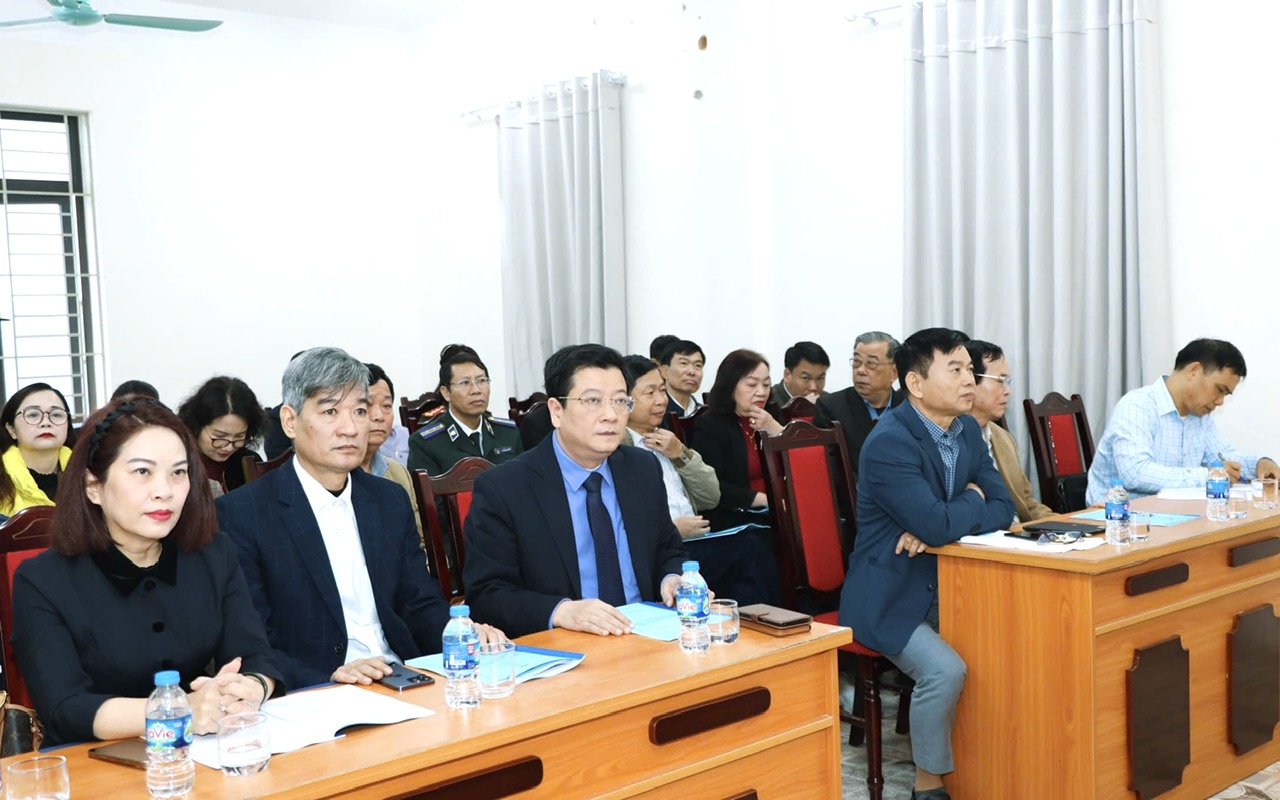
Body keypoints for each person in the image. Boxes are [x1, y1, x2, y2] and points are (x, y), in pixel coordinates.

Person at [217, 347, 503, 690]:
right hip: (318, 689)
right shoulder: (243, 514)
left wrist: (461, 633)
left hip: (402, 676)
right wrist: (328, 676)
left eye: (360, 411)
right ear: (290, 421)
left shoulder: (388, 500)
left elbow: (418, 601)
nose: (350, 428)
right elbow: (254, 641)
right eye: (330, 411)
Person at [11, 397, 282, 748]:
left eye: (178, 472)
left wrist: (251, 687)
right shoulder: (41, 580)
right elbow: (65, 708)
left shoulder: (215, 554)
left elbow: (256, 656)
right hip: (93, 759)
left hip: (202, 752)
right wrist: (179, 710)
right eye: (142, 472)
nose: (164, 492)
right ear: (94, 486)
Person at [839, 328, 1014, 800]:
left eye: (969, 370)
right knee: (944, 671)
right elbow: (941, 523)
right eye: (955, 370)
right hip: (889, 592)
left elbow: (1004, 507)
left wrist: (948, 519)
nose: (969, 381)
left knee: (1011, 648)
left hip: (951, 582)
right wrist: (966, 503)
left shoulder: (966, 431)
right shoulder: (890, 442)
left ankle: (1000, 768)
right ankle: (928, 785)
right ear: (916, 384)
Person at [463, 344, 688, 639]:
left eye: (620, 401)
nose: (611, 415)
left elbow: (668, 549)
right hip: (566, 645)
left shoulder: (642, 468)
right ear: (556, 411)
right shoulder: (505, 488)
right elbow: (487, 595)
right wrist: (561, 611)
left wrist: (672, 578)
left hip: (647, 636)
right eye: (593, 400)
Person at [622, 355, 779, 606]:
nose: (661, 400)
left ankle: (749, 621)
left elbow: (710, 496)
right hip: (666, 550)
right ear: (624, 400)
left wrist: (680, 454)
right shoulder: (618, 448)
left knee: (755, 545)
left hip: (696, 540)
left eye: (662, 390)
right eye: (650, 393)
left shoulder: (667, 440)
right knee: (751, 547)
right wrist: (672, 530)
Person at [1085, 338, 1280, 505]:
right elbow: (1135, 473)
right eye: (1220, 390)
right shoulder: (1137, 406)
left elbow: (1225, 458)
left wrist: (1259, 464)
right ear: (1194, 370)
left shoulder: (1200, 416)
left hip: (1175, 516)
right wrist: (1209, 476)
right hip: (1118, 520)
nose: (1221, 402)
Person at [689, 349, 784, 531]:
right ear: (730, 387)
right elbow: (711, 486)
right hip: (741, 516)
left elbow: (799, 464)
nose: (761, 392)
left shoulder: (771, 415)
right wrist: (765, 500)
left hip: (782, 508)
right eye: (752, 384)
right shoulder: (711, 424)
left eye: (766, 384)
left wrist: (775, 430)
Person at [964, 340, 1054, 523]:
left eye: (1008, 381)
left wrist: (1072, 526)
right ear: (970, 381)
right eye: (1000, 381)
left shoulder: (1002, 438)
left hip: (1018, 533)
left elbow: (1026, 503)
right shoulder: (948, 439)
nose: (1007, 391)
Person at [407, 345, 522, 475]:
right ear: (446, 393)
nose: (476, 390)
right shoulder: (425, 443)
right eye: (465, 383)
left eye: (481, 381)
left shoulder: (508, 433)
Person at [814, 331, 905, 473]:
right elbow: (830, 471)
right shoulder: (830, 407)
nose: (861, 371)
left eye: (871, 364)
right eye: (856, 362)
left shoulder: (909, 407)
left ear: (894, 372)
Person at [177, 376, 266, 498]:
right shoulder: (178, 463)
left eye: (239, 436)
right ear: (197, 426)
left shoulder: (247, 461)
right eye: (220, 436)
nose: (229, 447)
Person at [361, 363, 420, 538]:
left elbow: (420, 541)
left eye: (386, 406)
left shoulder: (399, 473)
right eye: (367, 405)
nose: (379, 416)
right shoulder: (335, 475)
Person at [0, 382, 76, 517]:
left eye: (56, 415)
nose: (46, 423)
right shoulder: (3, 479)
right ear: (11, 429)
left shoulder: (88, 474)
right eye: (33, 415)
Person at [770, 341, 830, 406]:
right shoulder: (767, 402)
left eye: (820, 378)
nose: (813, 387)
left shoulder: (828, 402)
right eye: (806, 378)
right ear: (787, 375)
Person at [659, 339, 706, 419]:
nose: (692, 372)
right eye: (684, 363)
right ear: (664, 371)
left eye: (698, 365)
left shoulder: (704, 414)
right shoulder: (656, 412)